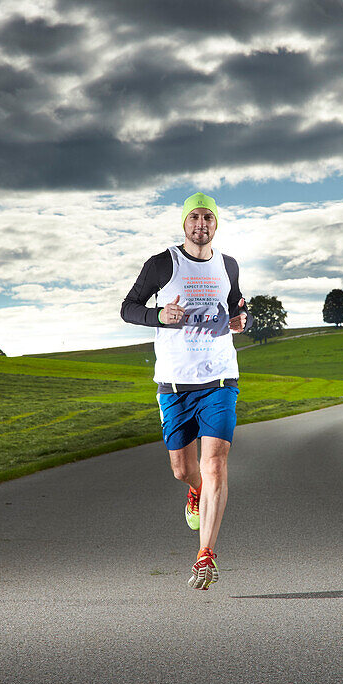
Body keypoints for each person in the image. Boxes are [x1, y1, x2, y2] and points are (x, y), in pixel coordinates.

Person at [120, 192, 254, 590]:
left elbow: (236, 305)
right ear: (184, 223)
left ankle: (205, 555)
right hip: (175, 383)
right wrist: (158, 315)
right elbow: (128, 307)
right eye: (194, 217)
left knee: (216, 464)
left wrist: (241, 318)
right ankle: (195, 492)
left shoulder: (228, 264)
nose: (201, 224)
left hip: (219, 379)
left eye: (208, 217)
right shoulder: (163, 263)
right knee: (183, 468)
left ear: (216, 223)